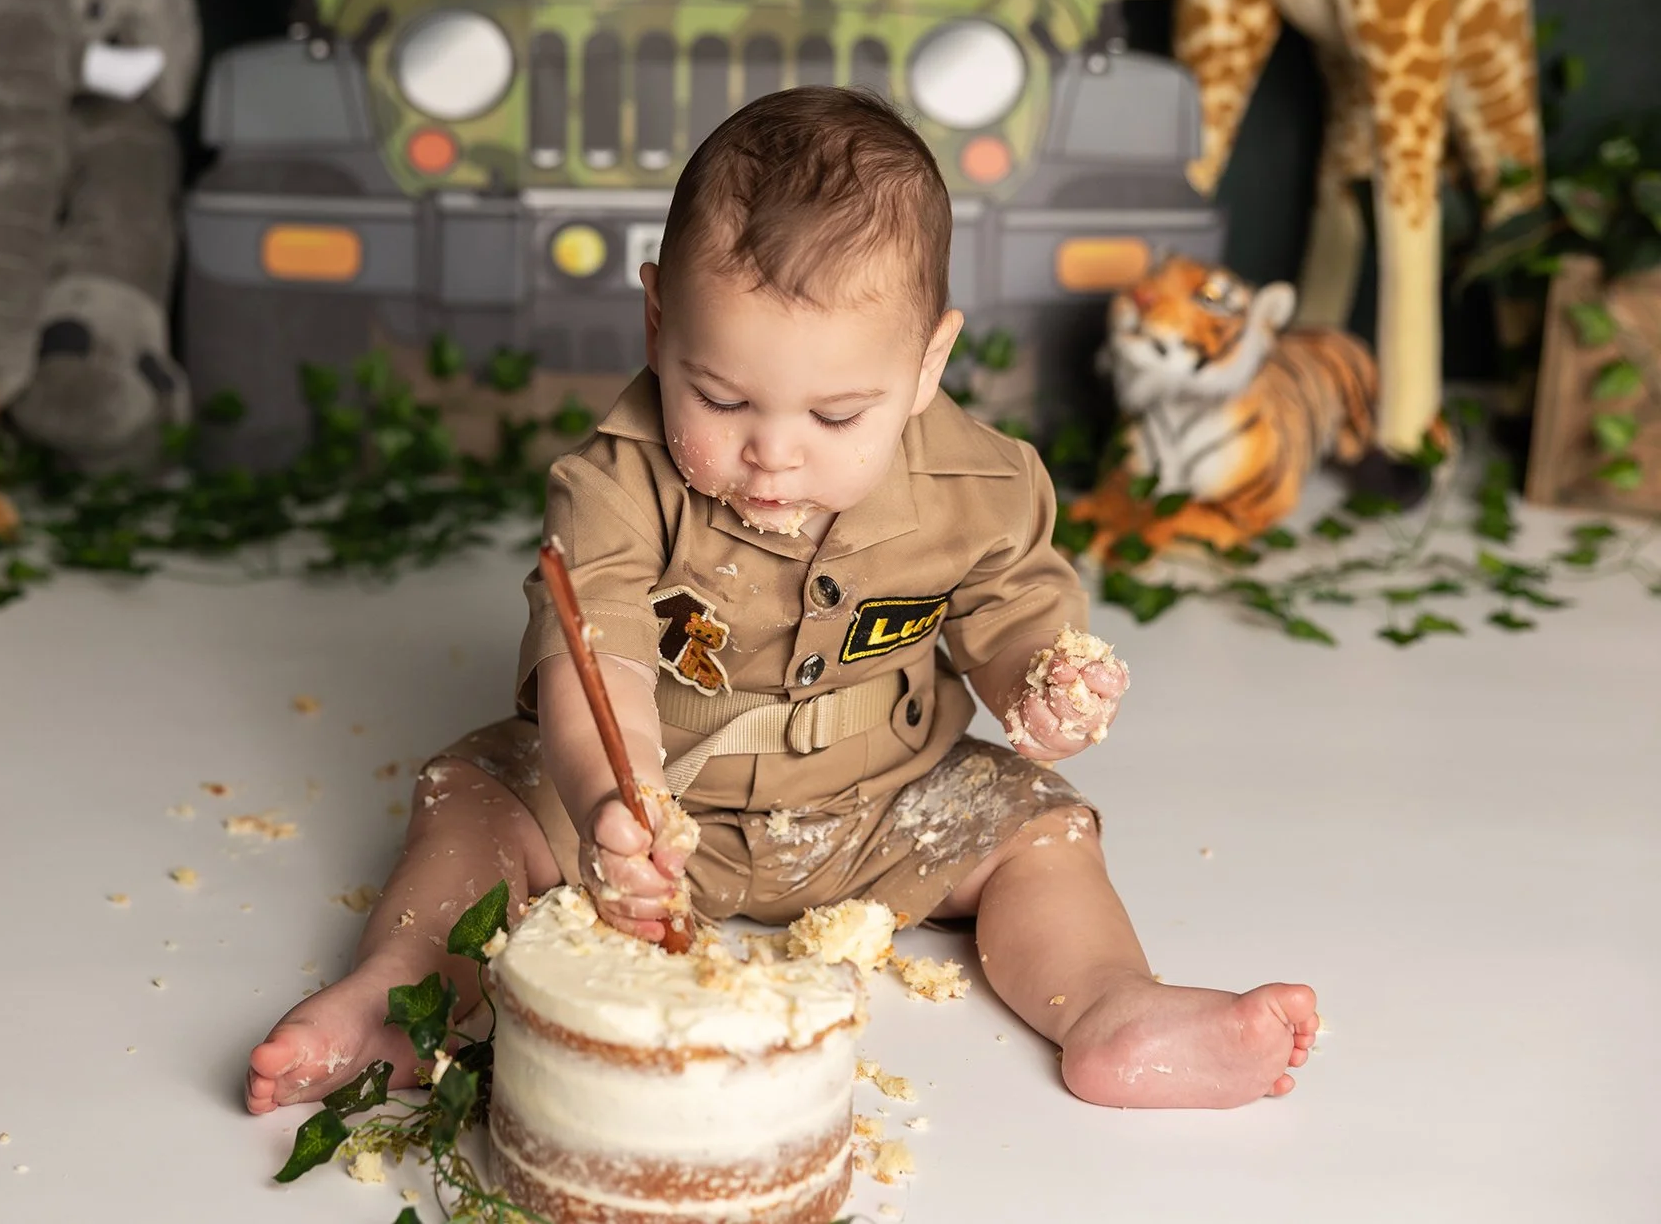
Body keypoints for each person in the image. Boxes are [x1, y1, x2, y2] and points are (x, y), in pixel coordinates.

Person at [245, 86, 1317, 1115]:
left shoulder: (977, 483)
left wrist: (1039, 681)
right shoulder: (614, 482)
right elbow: (596, 655)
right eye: (719, 396)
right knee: (474, 795)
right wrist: (611, 797)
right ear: (658, 317)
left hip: (887, 804)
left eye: (838, 415)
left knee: (1040, 834)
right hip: (662, 816)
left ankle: (1108, 1007)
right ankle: (402, 995)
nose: (772, 454)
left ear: (926, 364)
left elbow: (1015, 604)